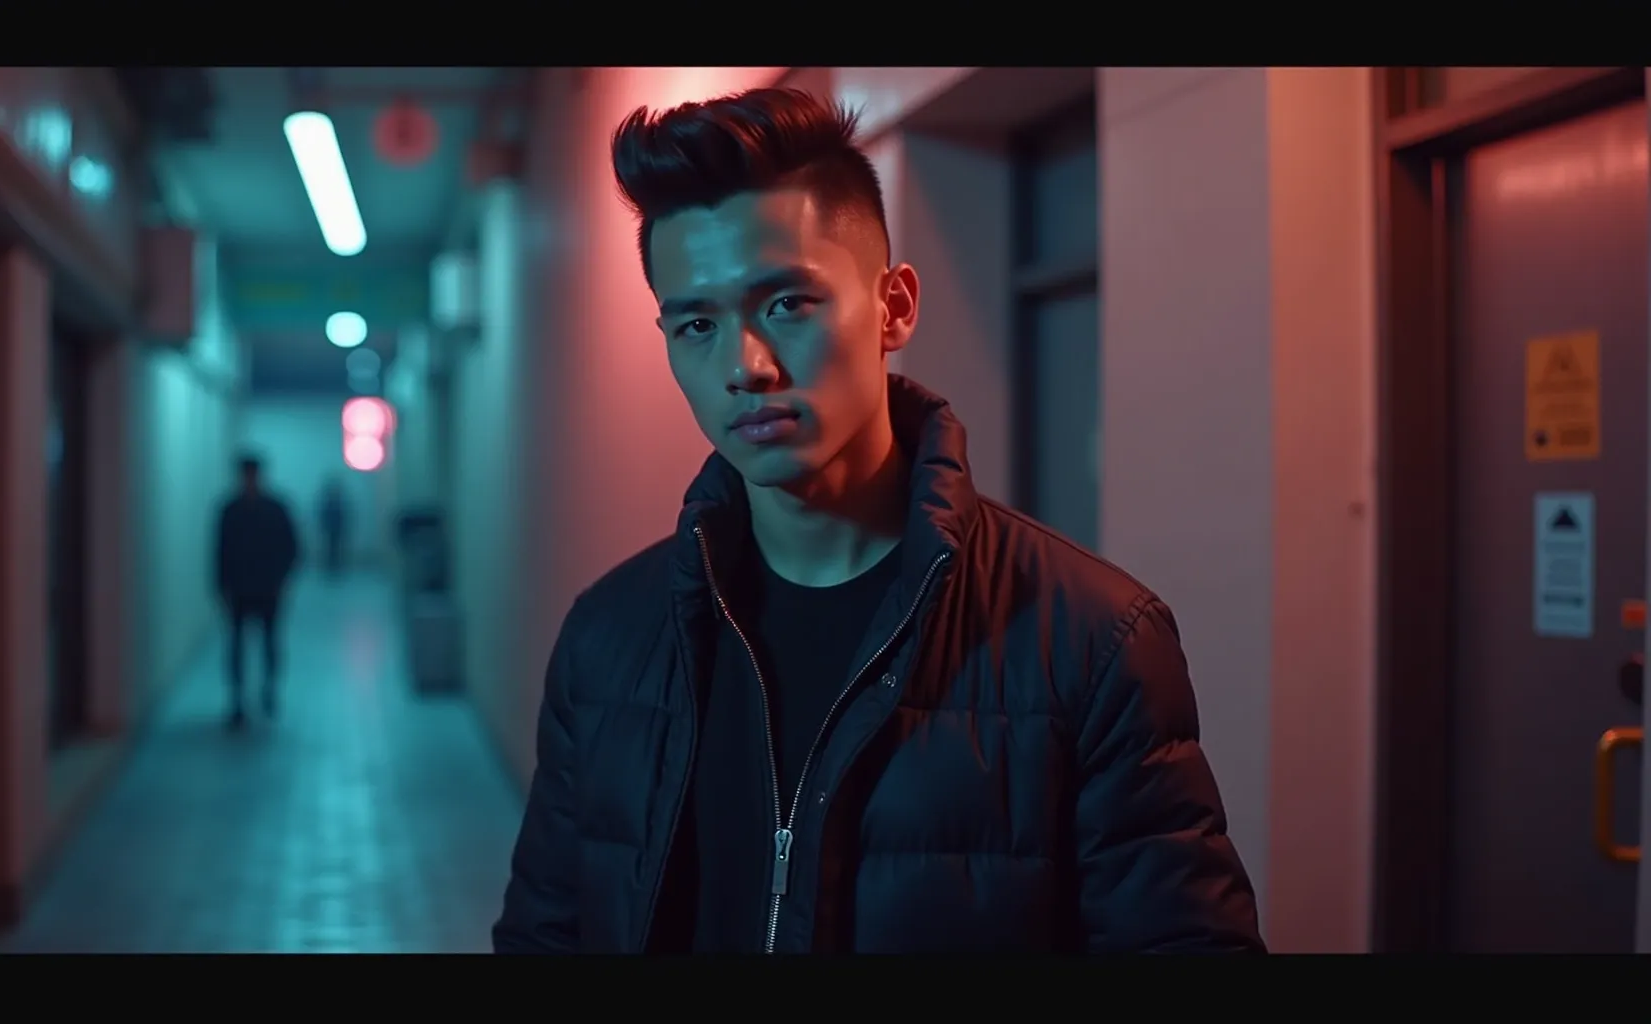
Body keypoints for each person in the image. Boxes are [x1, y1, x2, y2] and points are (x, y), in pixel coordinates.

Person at [493, 88, 1264, 954]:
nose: (745, 366)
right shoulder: (607, 640)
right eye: (697, 324)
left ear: (894, 307)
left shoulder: (1092, 644)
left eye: (787, 304)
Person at [214, 454, 300, 730]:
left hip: (267, 588)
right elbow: (220, 552)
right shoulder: (230, 510)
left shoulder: (275, 509)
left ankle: (269, 690)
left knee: (269, 642)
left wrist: (282, 579)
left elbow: (292, 547)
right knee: (237, 646)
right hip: (239, 589)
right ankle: (238, 700)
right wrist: (221, 587)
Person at [318, 477, 348, 576]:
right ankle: (331, 564)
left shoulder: (336, 503)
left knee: (336, 547)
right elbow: (324, 516)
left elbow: (343, 516)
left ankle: (335, 564)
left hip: (336, 528)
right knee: (330, 547)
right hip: (331, 528)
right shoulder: (332, 503)